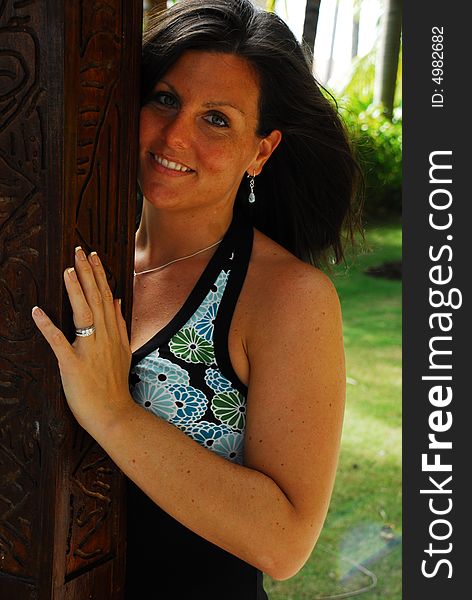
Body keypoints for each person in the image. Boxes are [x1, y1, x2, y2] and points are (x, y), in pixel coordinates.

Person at [31, 0, 362, 598]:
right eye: (164, 98)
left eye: (217, 119)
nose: (176, 134)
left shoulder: (285, 297)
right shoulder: (78, 258)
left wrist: (114, 412)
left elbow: (286, 544)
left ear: (261, 151)